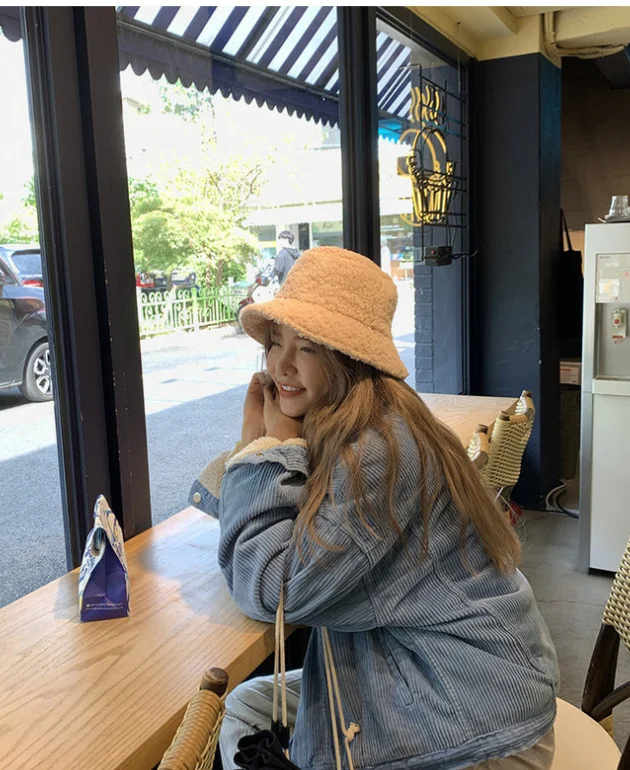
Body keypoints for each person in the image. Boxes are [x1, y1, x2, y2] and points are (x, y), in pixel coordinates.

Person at [189, 246, 558, 770]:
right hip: (426, 665)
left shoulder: (379, 452)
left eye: (306, 348)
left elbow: (270, 589)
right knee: (246, 707)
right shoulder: (358, 421)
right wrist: (267, 445)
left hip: (478, 721)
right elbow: (252, 519)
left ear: (349, 359)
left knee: (250, 718)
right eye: (275, 343)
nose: (281, 366)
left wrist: (263, 450)